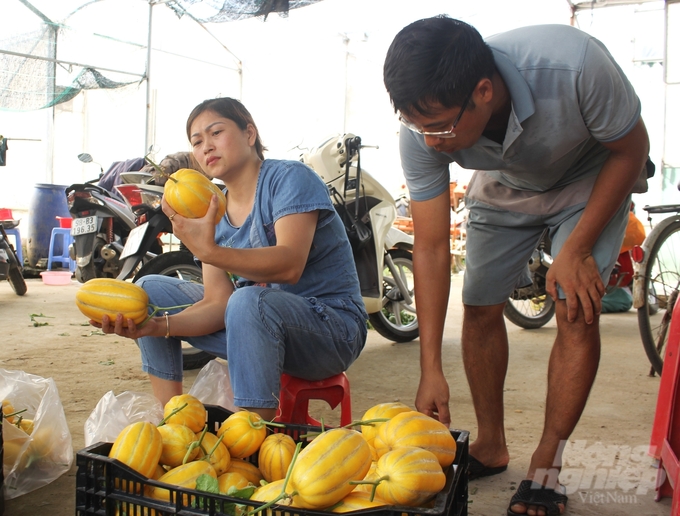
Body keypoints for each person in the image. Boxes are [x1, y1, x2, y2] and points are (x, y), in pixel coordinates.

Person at [383, 16, 649, 516]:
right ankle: (491, 444)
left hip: (590, 180)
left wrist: (576, 250)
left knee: (575, 305)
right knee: (479, 303)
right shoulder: (422, 131)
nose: (431, 141)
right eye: (417, 126)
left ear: (483, 91)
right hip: (505, 187)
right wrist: (430, 369)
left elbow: (632, 149)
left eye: (440, 126)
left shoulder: (574, 64)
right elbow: (434, 247)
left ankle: (546, 467)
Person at [93, 97, 368, 422]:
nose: (206, 146)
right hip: (255, 327)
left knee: (248, 301)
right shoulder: (213, 211)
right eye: (197, 141)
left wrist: (208, 250)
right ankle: (175, 423)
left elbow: (289, 264)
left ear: (249, 133)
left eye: (216, 133)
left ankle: (252, 439)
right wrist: (156, 325)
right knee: (149, 290)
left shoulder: (290, 178)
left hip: (330, 331)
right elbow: (217, 303)